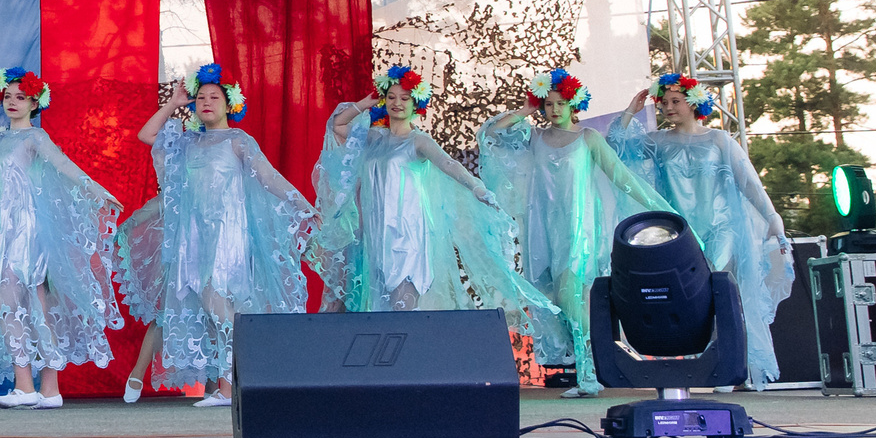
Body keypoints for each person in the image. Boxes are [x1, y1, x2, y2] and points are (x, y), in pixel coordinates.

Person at [115, 64, 316, 407]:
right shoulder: (188, 142)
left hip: (226, 235)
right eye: (201, 98)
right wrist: (173, 102)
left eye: (215, 97)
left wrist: (302, 205)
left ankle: (226, 389)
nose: (206, 102)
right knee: (208, 309)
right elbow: (147, 135)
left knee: (219, 304)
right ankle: (227, 385)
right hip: (193, 237)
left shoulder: (238, 140)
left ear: (230, 105)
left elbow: (268, 178)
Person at [0, 66, 123, 409]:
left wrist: (98, 192)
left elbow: (65, 167)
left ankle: (26, 386)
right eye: (8, 97)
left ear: (36, 103)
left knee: (10, 303)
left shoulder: (35, 138)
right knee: (33, 307)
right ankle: (48, 390)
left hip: (23, 232)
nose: (12, 103)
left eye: (20, 98)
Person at [311, 65, 550, 335]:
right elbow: (338, 125)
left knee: (404, 311)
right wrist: (366, 102)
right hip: (376, 235)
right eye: (391, 97)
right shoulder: (374, 138)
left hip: (407, 236)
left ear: (417, 104)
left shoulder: (418, 141)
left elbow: (448, 164)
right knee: (377, 309)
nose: (397, 103)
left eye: (404, 98)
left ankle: (410, 369)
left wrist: (476, 187)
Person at [478, 67, 671, 395]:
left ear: (574, 104)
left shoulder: (588, 139)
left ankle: (589, 374)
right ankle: (592, 368)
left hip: (579, 229)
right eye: (548, 103)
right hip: (543, 231)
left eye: (560, 103)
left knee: (571, 295)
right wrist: (525, 111)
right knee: (560, 300)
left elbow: (620, 176)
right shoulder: (535, 137)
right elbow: (492, 134)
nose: (553, 110)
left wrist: (659, 209)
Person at [609, 73, 797, 388]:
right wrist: (631, 110)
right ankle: (706, 361)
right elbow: (615, 146)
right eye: (664, 102)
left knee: (719, 289)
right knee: (693, 297)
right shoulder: (657, 142)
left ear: (694, 103)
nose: (668, 107)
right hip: (680, 233)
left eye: (675, 101)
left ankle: (728, 363)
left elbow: (746, 181)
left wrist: (771, 214)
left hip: (720, 226)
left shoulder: (720, 140)